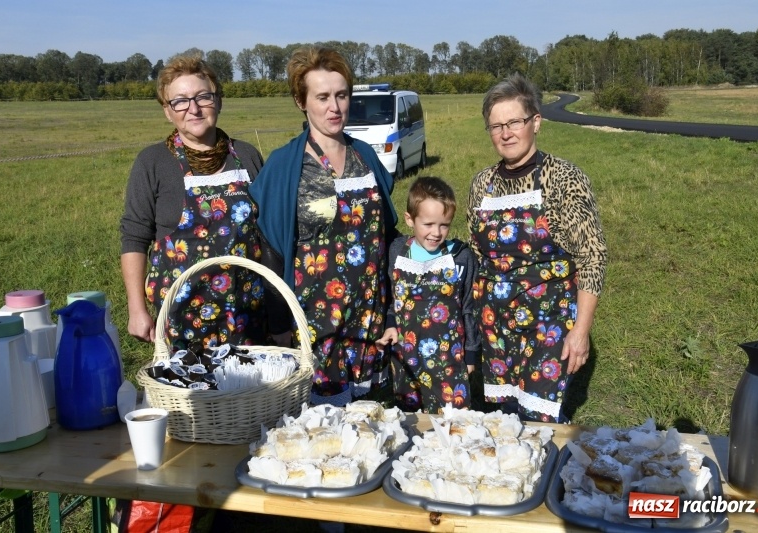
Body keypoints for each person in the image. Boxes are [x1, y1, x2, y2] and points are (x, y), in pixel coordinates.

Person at [249, 47, 398, 407]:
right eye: (322, 97)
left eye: (342, 95)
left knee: (368, 420)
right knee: (319, 424)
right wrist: (279, 325)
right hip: (314, 322)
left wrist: (393, 312)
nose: (335, 107)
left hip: (368, 319)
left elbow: (388, 235)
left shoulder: (366, 156)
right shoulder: (285, 165)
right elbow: (271, 251)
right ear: (301, 101)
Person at [467, 74, 607, 423]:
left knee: (539, 421)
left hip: (549, 325)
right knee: (505, 419)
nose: (506, 133)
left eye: (514, 122)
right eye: (496, 126)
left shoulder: (564, 178)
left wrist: (581, 331)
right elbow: (478, 252)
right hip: (496, 325)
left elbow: (592, 257)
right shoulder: (482, 184)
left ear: (536, 122)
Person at [120, 55, 266, 350]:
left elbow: (268, 234)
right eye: (181, 101)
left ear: (218, 101)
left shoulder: (246, 155)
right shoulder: (153, 162)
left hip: (248, 317)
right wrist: (136, 309)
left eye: (203, 97)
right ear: (167, 111)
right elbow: (134, 236)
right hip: (180, 321)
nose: (194, 109)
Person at [376, 176, 480, 414]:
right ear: (409, 219)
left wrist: (471, 354)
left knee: (454, 420)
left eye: (444, 225)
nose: (436, 232)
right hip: (407, 356)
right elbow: (394, 300)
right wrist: (390, 326)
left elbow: (469, 308)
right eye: (428, 224)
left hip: (449, 358)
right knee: (411, 421)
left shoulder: (461, 257)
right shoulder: (397, 251)